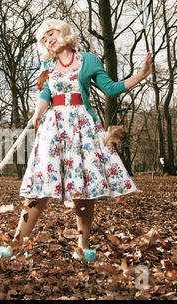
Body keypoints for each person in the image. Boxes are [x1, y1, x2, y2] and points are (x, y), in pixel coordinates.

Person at [15, 19, 153, 261]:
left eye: (51, 33)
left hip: (82, 127)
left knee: (83, 188)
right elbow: (45, 93)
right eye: (44, 38)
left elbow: (110, 88)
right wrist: (36, 116)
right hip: (53, 127)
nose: (48, 40)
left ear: (64, 32)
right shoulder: (48, 64)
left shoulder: (88, 60)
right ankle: (17, 242)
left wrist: (140, 75)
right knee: (40, 184)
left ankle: (83, 246)